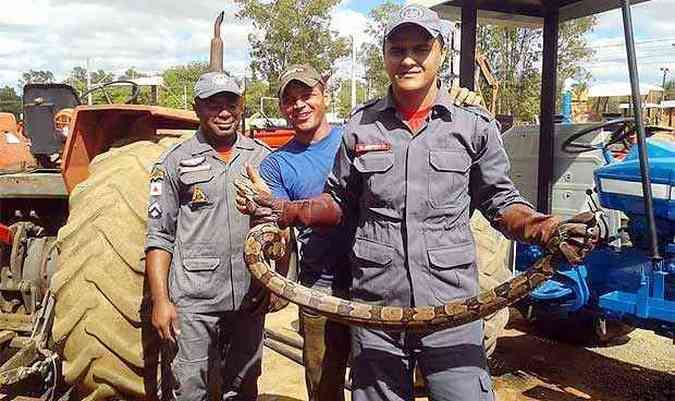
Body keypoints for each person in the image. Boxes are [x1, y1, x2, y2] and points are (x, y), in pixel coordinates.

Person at [236, 5, 598, 401]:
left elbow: (499, 200)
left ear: (441, 51)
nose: (408, 59)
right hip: (375, 312)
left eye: (420, 48)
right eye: (398, 49)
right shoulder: (360, 126)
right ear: (385, 56)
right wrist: (288, 211)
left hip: (453, 308)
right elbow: (339, 201)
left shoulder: (472, 124)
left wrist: (545, 228)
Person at [145, 71, 271, 401]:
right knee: (188, 389)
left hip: (248, 298)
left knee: (244, 387)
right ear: (197, 108)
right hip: (193, 303)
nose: (224, 111)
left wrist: (275, 280)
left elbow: (277, 227)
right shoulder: (174, 162)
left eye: (231, 102)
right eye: (213, 104)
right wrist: (161, 301)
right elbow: (159, 236)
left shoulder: (262, 158)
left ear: (241, 106)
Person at [255, 64, 353, 401]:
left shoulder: (355, 138)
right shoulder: (277, 164)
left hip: (373, 281)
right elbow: (278, 225)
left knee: (378, 384)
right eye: (290, 99)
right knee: (324, 386)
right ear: (282, 108)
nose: (299, 105)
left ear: (324, 95)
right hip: (317, 289)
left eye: (307, 94)